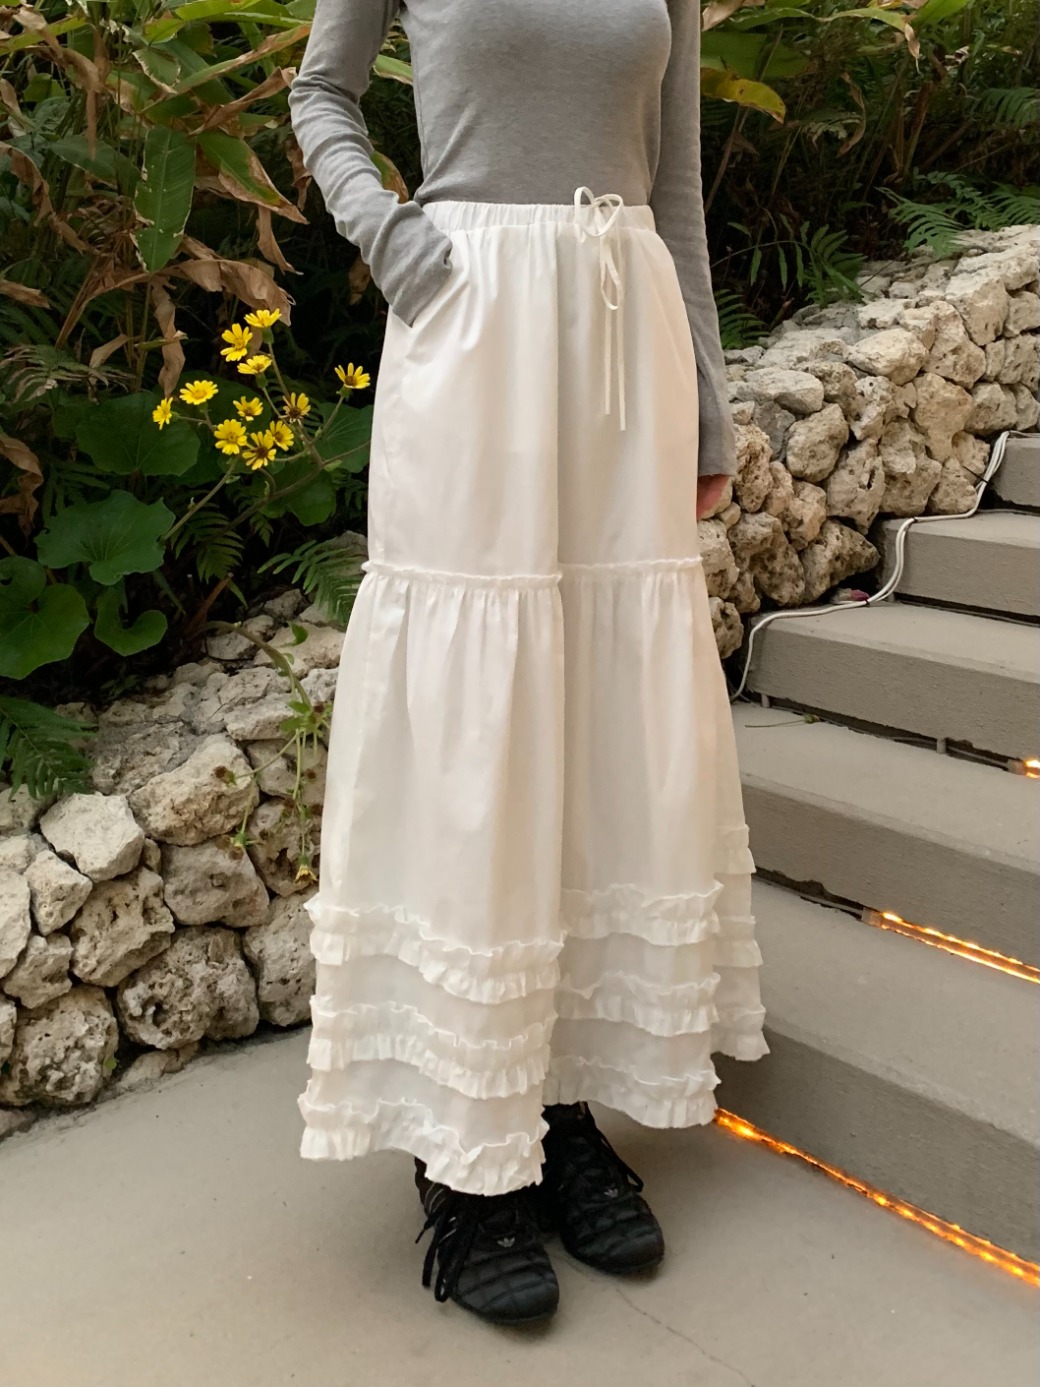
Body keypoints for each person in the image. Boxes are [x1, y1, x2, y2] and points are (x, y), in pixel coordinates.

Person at [287, 0, 767, 1327]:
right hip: (472, 328)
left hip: (625, 343)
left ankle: (560, 1114)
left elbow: (674, 184)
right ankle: (464, 1153)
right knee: (477, 722)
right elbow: (320, 92)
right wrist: (397, 243)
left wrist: (707, 401)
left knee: (604, 718)